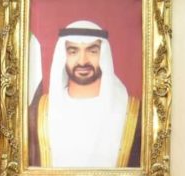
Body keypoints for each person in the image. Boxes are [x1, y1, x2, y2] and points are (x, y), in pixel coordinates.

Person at [29, 20, 141, 167]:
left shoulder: (132, 113)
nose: (82, 61)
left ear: (103, 55)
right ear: (63, 56)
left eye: (92, 51)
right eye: (73, 51)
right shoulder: (39, 113)